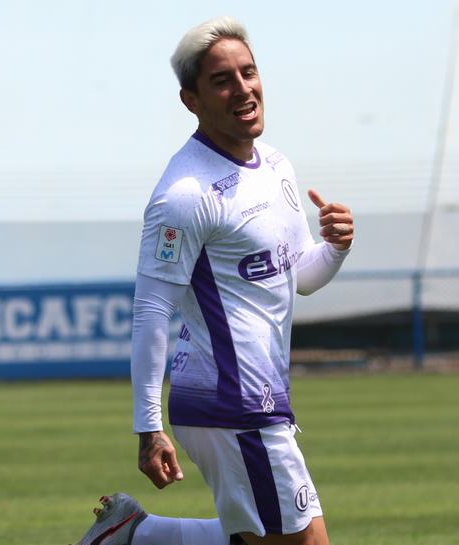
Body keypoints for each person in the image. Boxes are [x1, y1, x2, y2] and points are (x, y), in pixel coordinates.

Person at [73, 15, 354, 545]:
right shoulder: (185, 194)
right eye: (222, 80)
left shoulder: (276, 167)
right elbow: (152, 308)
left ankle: (135, 534)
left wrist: (335, 248)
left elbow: (300, 277)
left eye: (249, 72)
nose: (243, 89)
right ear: (192, 100)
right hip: (230, 404)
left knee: (262, 538)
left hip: (260, 401)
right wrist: (147, 426)